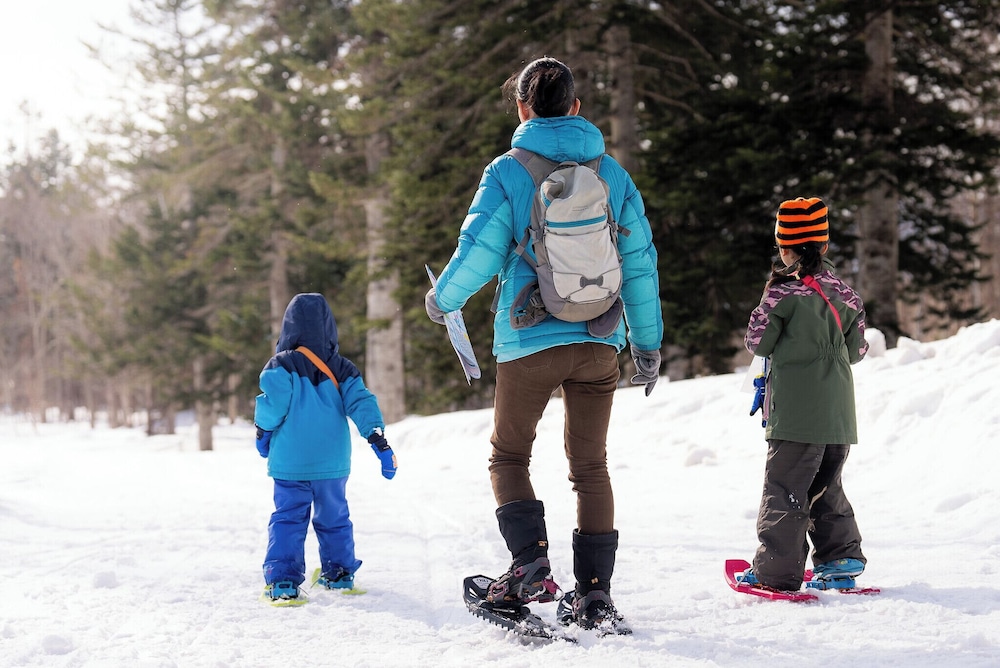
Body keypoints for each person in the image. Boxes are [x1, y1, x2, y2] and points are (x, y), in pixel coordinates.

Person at [424, 57, 662, 633]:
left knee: (510, 456)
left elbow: (479, 248)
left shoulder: (508, 171)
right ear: (576, 108)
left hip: (529, 337)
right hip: (600, 339)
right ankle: (595, 595)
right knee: (591, 466)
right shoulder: (612, 174)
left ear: (522, 109)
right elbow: (639, 264)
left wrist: (443, 300)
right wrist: (647, 344)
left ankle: (529, 569)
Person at [739, 197, 870, 592]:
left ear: (784, 248)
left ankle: (776, 572)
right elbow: (857, 351)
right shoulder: (846, 295)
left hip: (796, 413)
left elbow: (757, 343)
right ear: (824, 245)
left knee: (785, 489)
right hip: (838, 415)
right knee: (826, 488)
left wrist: (769, 301)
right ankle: (841, 559)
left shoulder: (782, 295)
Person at [255, 293, 397, 602]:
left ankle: (283, 582)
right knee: (334, 517)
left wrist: (262, 432)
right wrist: (378, 440)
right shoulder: (342, 368)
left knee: (288, 519)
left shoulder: (281, 365)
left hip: (291, 462)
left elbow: (272, 407)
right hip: (331, 463)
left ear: (289, 328)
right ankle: (339, 574)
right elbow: (361, 403)